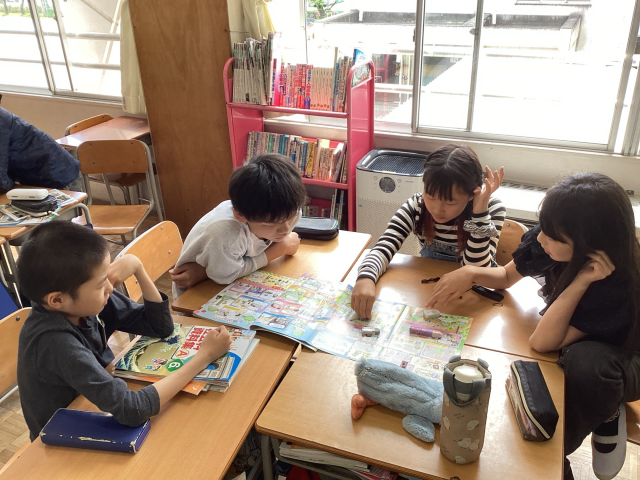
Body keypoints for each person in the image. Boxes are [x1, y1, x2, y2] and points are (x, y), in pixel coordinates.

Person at [426, 172, 640, 480]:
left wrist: (581, 280)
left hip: (623, 358)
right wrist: (471, 273)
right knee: (560, 361)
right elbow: (505, 276)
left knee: (585, 364)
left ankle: (607, 409)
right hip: (579, 339)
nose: (540, 239)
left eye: (552, 237)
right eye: (545, 228)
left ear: (590, 246)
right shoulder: (552, 238)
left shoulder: (615, 286)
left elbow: (543, 342)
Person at [17, 222, 232, 441]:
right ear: (57, 300)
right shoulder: (55, 342)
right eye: (101, 283)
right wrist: (205, 356)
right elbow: (133, 410)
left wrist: (137, 267)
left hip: (95, 405)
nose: (110, 288)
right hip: (62, 440)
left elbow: (159, 327)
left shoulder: (84, 303)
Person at [351, 144, 506, 318]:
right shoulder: (417, 205)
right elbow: (383, 247)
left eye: (450, 202)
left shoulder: (492, 209)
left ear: (472, 194)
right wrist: (365, 278)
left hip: (473, 298)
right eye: (430, 196)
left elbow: (475, 272)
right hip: (431, 290)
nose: (438, 209)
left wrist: (480, 215)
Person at [170, 153, 307, 297]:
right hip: (197, 295)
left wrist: (203, 271)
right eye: (270, 224)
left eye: (289, 218)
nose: (285, 229)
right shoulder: (226, 232)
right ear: (241, 216)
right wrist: (280, 249)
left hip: (226, 274)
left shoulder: (289, 210)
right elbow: (225, 275)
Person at [0, 107, 82, 192]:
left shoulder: (2, 121)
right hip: (42, 178)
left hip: (59, 179)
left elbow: (2, 183)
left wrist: (12, 179)